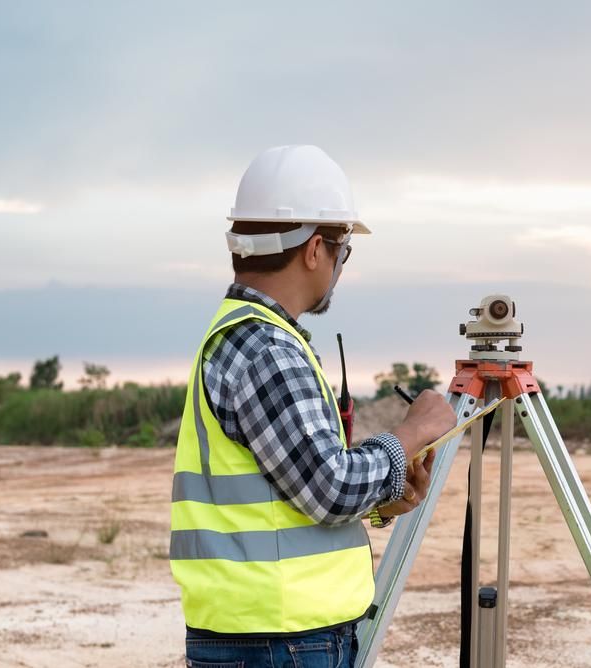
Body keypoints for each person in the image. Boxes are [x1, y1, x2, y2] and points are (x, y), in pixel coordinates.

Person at [169, 145, 456, 668]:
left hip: (265, 634)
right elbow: (330, 487)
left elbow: (291, 493)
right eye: (343, 252)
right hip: (282, 641)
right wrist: (415, 430)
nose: (340, 267)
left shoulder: (249, 338)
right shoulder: (267, 348)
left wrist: (383, 500)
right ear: (314, 249)